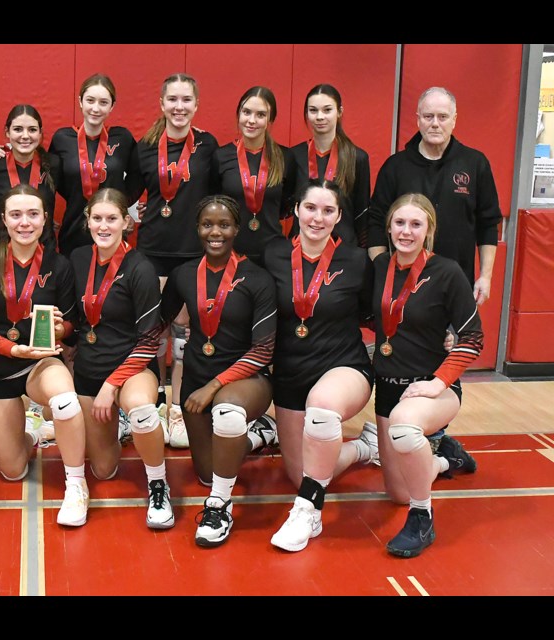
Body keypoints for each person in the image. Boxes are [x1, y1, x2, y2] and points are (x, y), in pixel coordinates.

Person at [365, 86, 496, 470]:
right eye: (428, 116)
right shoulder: (395, 166)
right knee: (410, 353)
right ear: (417, 119)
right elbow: (375, 221)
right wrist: (381, 272)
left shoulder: (475, 163)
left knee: (446, 354)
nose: (434, 123)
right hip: (403, 290)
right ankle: (428, 443)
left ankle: (435, 442)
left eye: (442, 117)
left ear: (455, 120)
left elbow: (489, 223)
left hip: (452, 286)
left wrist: (485, 276)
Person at [0, 184, 89, 526]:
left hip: (40, 364)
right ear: (3, 219)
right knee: (13, 470)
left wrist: (60, 328)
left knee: (64, 401)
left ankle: (76, 485)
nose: (24, 222)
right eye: (16, 215)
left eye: (33, 214)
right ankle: (33, 434)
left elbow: (73, 326)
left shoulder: (59, 265)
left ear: (45, 219)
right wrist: (12, 348)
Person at [264, 179, 378, 552]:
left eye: (328, 211)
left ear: (339, 216)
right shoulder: (273, 254)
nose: (318, 217)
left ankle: (307, 512)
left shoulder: (357, 260)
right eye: (311, 208)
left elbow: (377, 313)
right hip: (291, 374)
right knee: (300, 473)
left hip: (343, 366)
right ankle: (363, 448)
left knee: (323, 408)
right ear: (296, 210)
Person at [161, 195, 277, 547]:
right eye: (207, 225)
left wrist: (213, 386)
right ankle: (259, 436)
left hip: (246, 379)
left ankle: (219, 506)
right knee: (205, 472)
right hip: (196, 378)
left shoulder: (257, 278)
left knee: (226, 413)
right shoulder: (183, 275)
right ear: (197, 229)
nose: (215, 232)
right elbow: (157, 325)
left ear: (237, 229)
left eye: (224, 225)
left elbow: (264, 350)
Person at [371, 193, 483, 557]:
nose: (406, 231)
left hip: (431, 390)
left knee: (404, 432)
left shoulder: (447, 271)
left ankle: (423, 518)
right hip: (388, 388)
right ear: (389, 227)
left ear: (429, 230)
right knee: (398, 493)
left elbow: (473, 338)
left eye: (416, 224)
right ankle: (447, 458)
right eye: (399, 223)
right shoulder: (380, 267)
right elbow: (372, 316)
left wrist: (438, 382)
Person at [70, 188, 171, 528]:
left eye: (112, 218)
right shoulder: (79, 258)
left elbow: (149, 340)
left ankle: (158, 483)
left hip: (131, 368)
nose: (104, 225)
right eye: (97, 218)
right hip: (88, 367)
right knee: (104, 471)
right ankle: (118, 425)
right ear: (87, 222)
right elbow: (77, 320)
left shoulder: (140, 268)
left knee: (142, 410)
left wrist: (112, 385)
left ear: (126, 222)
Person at [134, 73, 220, 450]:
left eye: (186, 100)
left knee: (185, 333)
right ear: (162, 103)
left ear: (197, 105)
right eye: (172, 99)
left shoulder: (207, 146)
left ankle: (179, 409)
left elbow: (218, 193)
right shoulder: (145, 146)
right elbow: (129, 193)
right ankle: (152, 404)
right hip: (152, 248)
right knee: (154, 332)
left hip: (193, 251)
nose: (179, 107)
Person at [48, 73, 143, 256]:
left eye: (103, 102)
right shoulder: (62, 138)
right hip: (74, 226)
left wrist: (121, 205)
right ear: (80, 101)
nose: (95, 108)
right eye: (90, 100)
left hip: (112, 229)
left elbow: (137, 175)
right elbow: (51, 178)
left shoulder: (122, 138)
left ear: (112, 106)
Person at [212, 85, 296, 265]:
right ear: (238, 114)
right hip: (230, 253)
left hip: (273, 254)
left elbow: (287, 203)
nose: (251, 120)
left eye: (260, 115)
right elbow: (212, 201)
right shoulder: (220, 156)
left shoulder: (285, 157)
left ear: (270, 120)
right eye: (246, 112)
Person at [287, 84, 371, 247]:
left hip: (343, 249)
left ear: (339, 112)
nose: (319, 117)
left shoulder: (357, 158)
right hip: (300, 247)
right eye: (313, 110)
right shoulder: (293, 156)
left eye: (327, 110)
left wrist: (362, 256)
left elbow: (362, 214)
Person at [0, 104, 58, 254]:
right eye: (18, 129)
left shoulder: (54, 165)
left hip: (45, 254)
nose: (25, 136)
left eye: (32, 130)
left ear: (40, 133)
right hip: (0, 254)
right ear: (7, 132)